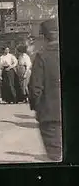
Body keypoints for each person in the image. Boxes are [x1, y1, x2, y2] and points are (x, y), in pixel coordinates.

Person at [28, 18, 61, 162]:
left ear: (44, 37)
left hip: (50, 113)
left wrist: (37, 108)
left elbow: (35, 88)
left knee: (55, 157)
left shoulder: (42, 56)